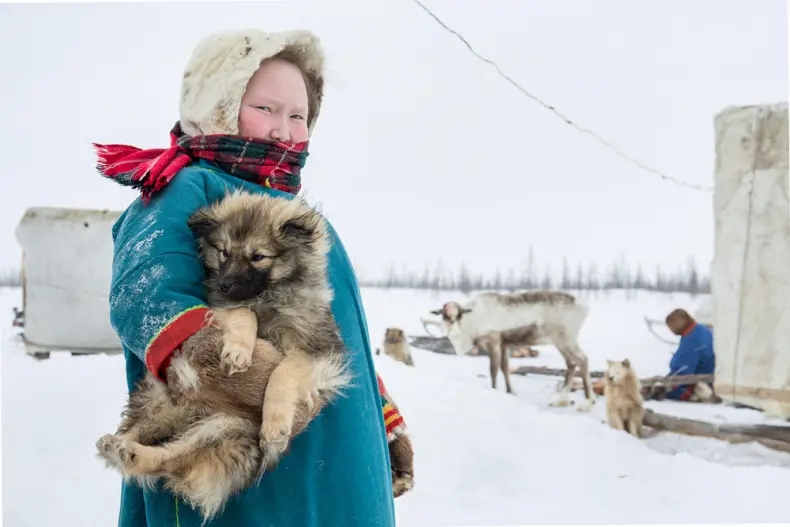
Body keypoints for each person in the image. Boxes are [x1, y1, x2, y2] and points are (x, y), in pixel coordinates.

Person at [95, 28, 403, 527]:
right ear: (218, 102)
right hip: (247, 464)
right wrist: (264, 381)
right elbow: (147, 296)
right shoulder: (188, 187)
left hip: (339, 456)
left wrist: (378, 415)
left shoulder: (295, 216)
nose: (284, 129)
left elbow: (321, 327)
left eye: (298, 115)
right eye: (265, 108)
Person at [648, 308, 716, 401]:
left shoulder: (691, 341)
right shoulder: (702, 330)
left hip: (698, 384)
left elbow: (682, 371)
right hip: (711, 377)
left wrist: (662, 389)